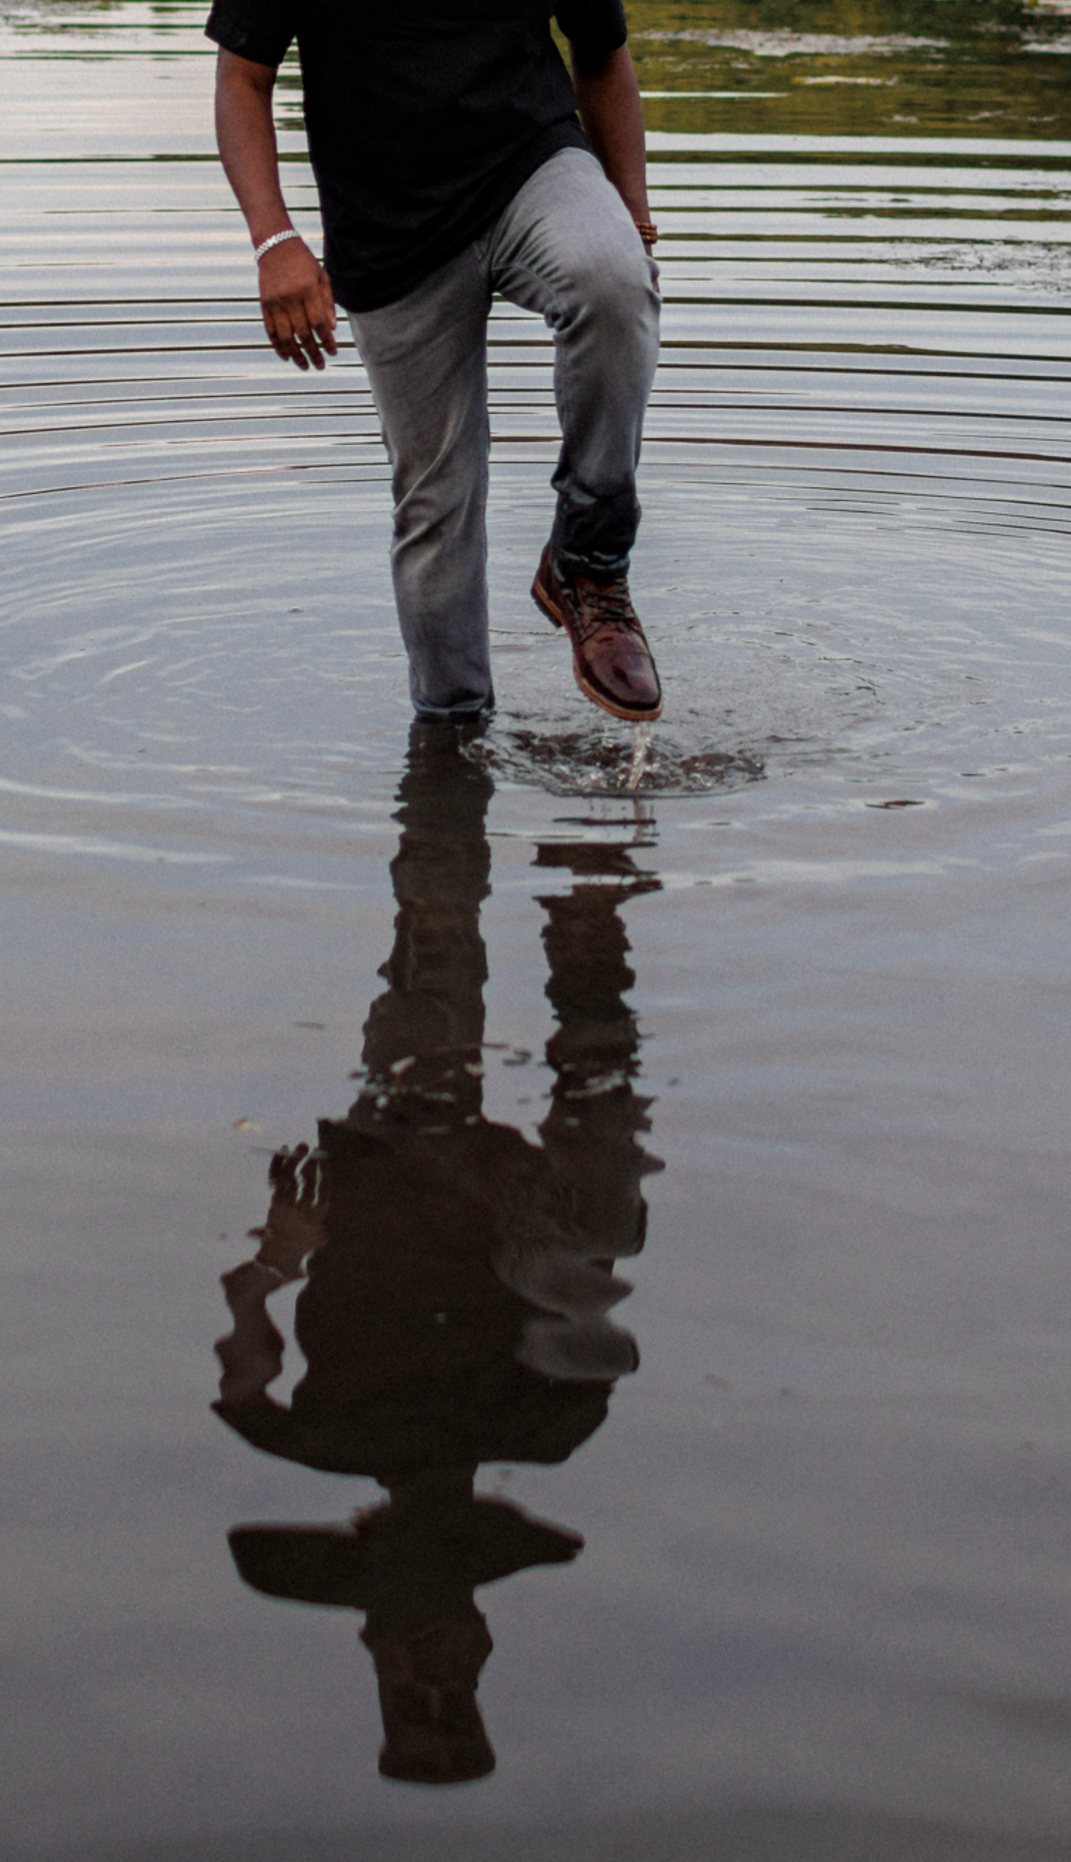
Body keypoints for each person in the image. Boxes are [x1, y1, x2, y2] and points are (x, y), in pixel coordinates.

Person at [207, 0, 663, 723]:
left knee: (612, 282)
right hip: (389, 225)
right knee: (436, 506)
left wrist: (635, 219)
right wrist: (277, 241)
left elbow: (604, 62)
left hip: (528, 172)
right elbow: (242, 79)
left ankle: (588, 565)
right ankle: (452, 754)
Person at [213, 722, 656, 1785]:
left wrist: (280, 1254)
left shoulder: (307, 1439)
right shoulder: (551, 1427)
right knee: (591, 1283)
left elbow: (240, 1358)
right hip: (478, 1201)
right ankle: (589, 910)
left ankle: (450, 774)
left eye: (412, 1695)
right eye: (449, 1691)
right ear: (478, 1650)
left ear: (377, 1652)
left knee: (433, 941)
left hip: (397, 1160)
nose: (429, 1667)